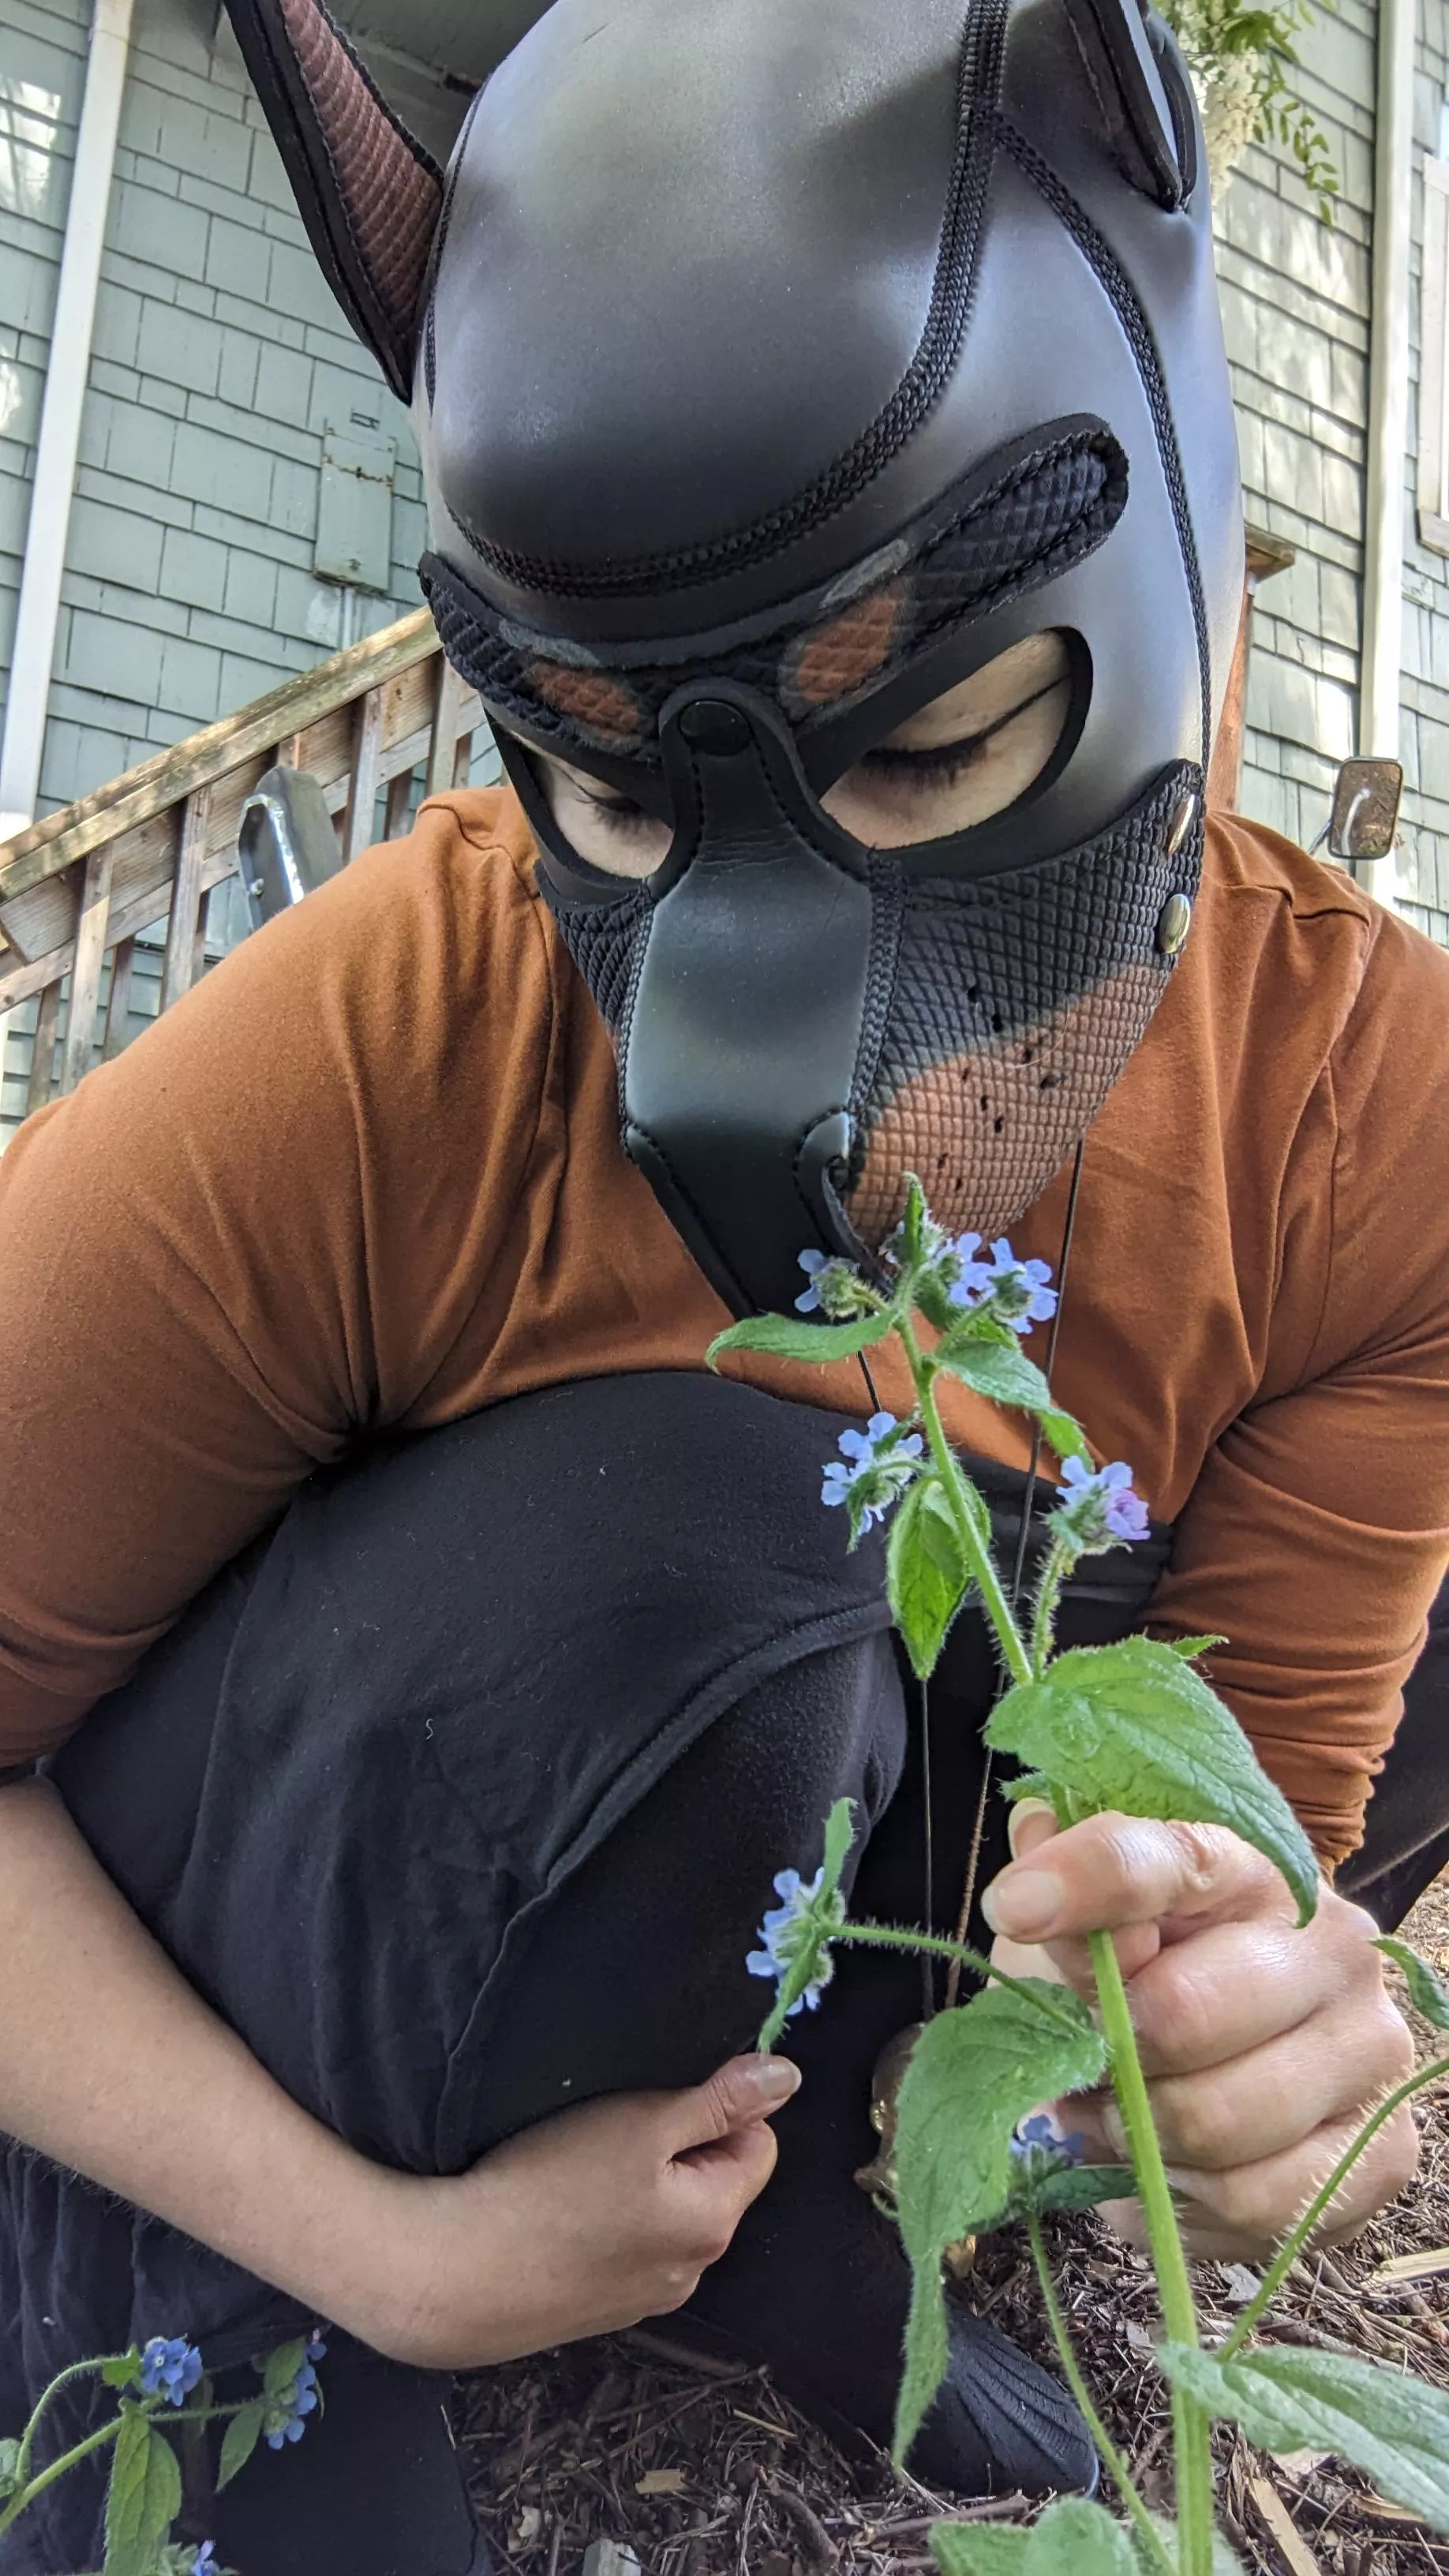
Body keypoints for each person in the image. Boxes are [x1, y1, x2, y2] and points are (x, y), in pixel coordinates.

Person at [1, 0, 1447, 2567]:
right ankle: (203, 2299)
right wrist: (392, 2261)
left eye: (936, 744)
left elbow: (1245, 1794)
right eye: (607, 790)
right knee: (724, 1521)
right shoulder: (395, 1028)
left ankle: (806, 2217)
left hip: (792, 1860)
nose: (804, 1047)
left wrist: (1240, 2023)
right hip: (317, 1949)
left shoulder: (1364, 1106)